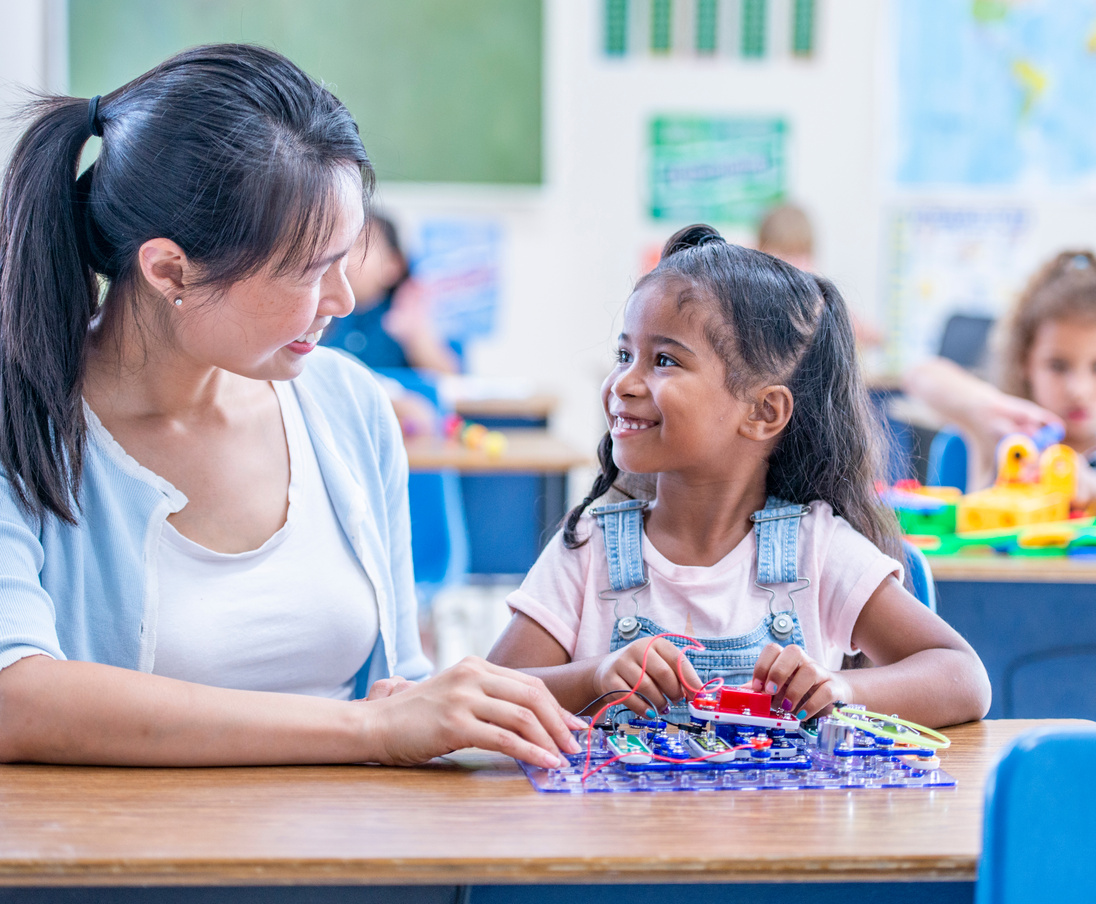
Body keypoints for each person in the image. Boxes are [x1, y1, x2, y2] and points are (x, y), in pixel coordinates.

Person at [0, 44, 581, 768]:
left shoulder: (348, 404)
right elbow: (15, 697)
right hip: (120, 871)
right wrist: (365, 732)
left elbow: (401, 685)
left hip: (355, 863)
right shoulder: (22, 417)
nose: (340, 300)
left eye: (348, 258)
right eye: (311, 271)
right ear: (169, 269)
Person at [487, 225, 990, 730]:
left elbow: (963, 678)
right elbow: (490, 695)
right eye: (624, 355)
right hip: (623, 813)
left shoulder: (815, 548)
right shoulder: (589, 548)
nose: (624, 382)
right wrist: (594, 678)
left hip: (781, 814)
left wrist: (840, 690)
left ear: (764, 411)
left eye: (663, 360)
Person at [904, 250, 1096, 505]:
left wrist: (1081, 481)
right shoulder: (995, 438)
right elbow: (920, 375)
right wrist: (987, 405)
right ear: (1024, 360)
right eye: (1058, 366)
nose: (1079, 389)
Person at [322, 212, 460, 375]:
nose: (345, 257)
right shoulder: (322, 312)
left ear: (393, 266)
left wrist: (415, 335)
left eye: (359, 245)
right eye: (341, 245)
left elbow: (452, 380)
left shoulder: (409, 315)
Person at [756, 203, 885, 349]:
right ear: (760, 251)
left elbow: (870, 331)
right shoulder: (754, 297)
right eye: (783, 255)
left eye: (800, 254)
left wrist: (870, 333)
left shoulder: (817, 297)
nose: (792, 265)